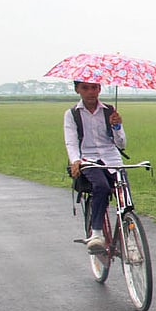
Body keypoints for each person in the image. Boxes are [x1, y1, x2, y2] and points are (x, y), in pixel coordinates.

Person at [64, 81, 125, 252]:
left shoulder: (109, 111)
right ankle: (97, 233)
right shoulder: (72, 114)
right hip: (88, 159)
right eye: (85, 88)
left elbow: (121, 144)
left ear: (99, 89)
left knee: (124, 193)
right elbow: (71, 141)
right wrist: (75, 160)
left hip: (112, 158)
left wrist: (117, 126)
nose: (90, 92)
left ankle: (126, 230)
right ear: (77, 89)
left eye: (94, 88)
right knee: (101, 187)